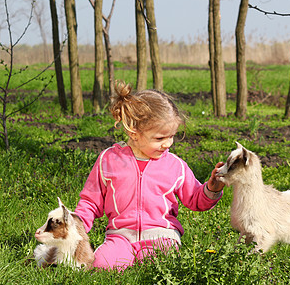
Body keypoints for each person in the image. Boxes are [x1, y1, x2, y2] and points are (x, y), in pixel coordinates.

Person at [75, 82, 225, 270]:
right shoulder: (109, 160)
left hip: (162, 236)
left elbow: (195, 199)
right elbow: (90, 201)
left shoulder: (175, 166)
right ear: (134, 133)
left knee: (158, 268)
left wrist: (212, 189)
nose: (168, 144)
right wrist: (76, 227)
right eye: (160, 138)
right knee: (101, 265)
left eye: (172, 136)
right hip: (120, 236)